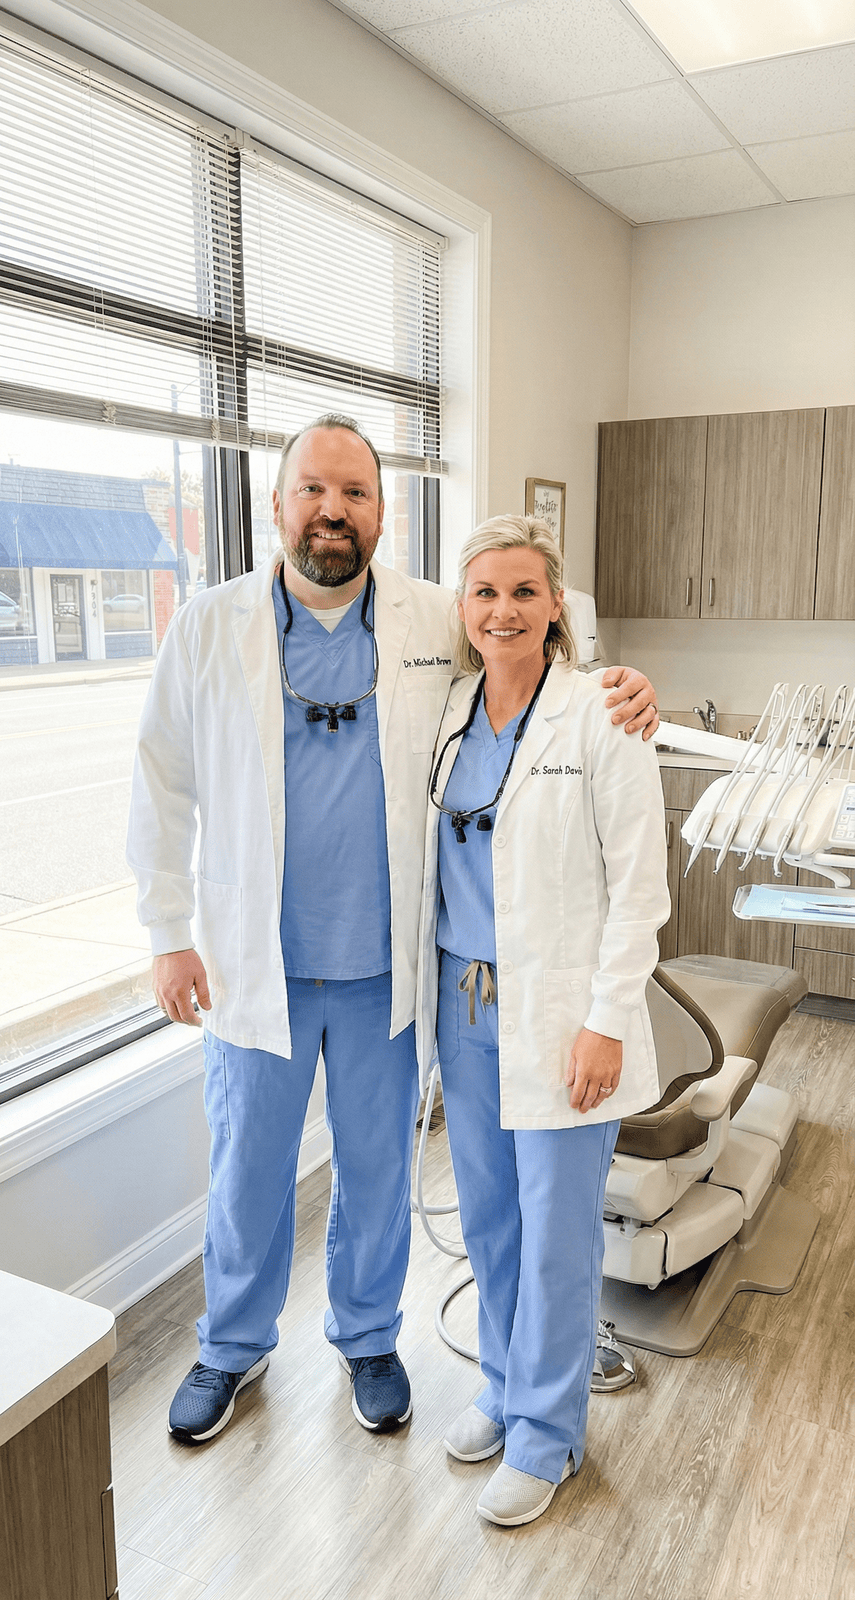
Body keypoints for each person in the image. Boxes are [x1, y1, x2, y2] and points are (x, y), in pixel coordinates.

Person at [127, 416, 660, 1448]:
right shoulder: (207, 626)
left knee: (375, 1175)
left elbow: (531, 666)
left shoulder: (430, 615)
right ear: (277, 503)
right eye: (313, 490)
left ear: (382, 511)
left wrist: (624, 688)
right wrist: (166, 932)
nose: (333, 511)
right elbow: (160, 782)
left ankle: (369, 1336)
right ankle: (231, 1345)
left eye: (355, 494)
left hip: (387, 968)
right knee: (248, 1173)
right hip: (254, 966)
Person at [416, 514, 670, 1526]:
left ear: (556, 604)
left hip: (562, 1013)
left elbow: (641, 890)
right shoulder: (446, 710)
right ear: (462, 607)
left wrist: (606, 1020)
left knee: (559, 1235)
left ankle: (549, 1434)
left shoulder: (603, 714)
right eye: (485, 592)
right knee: (489, 1222)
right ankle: (504, 1385)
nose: (503, 610)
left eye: (524, 591)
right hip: (465, 1006)